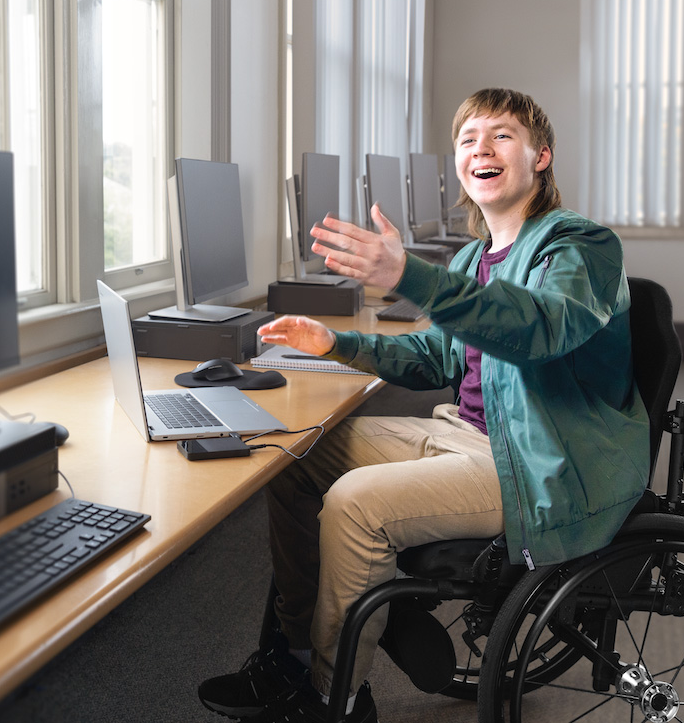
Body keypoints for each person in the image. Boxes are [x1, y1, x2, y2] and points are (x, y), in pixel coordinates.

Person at [198, 88, 650, 723]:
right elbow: (437, 358)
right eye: (468, 139)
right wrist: (334, 343)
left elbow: (540, 329)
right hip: (462, 434)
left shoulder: (580, 246)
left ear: (541, 157)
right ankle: (295, 657)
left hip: (540, 462)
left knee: (358, 507)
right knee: (294, 454)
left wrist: (410, 273)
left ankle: (336, 697)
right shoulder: (473, 258)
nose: (481, 149)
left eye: (502, 136)